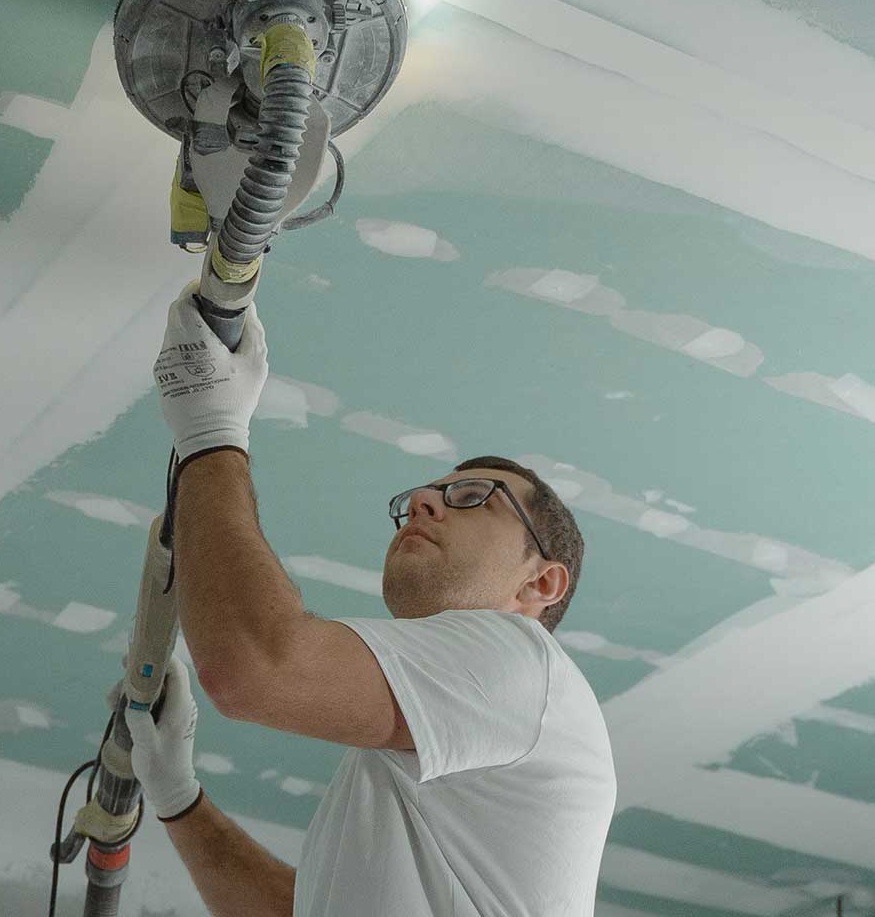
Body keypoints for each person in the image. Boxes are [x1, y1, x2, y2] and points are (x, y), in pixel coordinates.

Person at [128, 282, 617, 916]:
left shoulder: (522, 664)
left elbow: (255, 668)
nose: (423, 500)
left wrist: (211, 430)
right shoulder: (419, 766)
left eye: (473, 496)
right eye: (422, 495)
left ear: (542, 583)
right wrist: (177, 797)